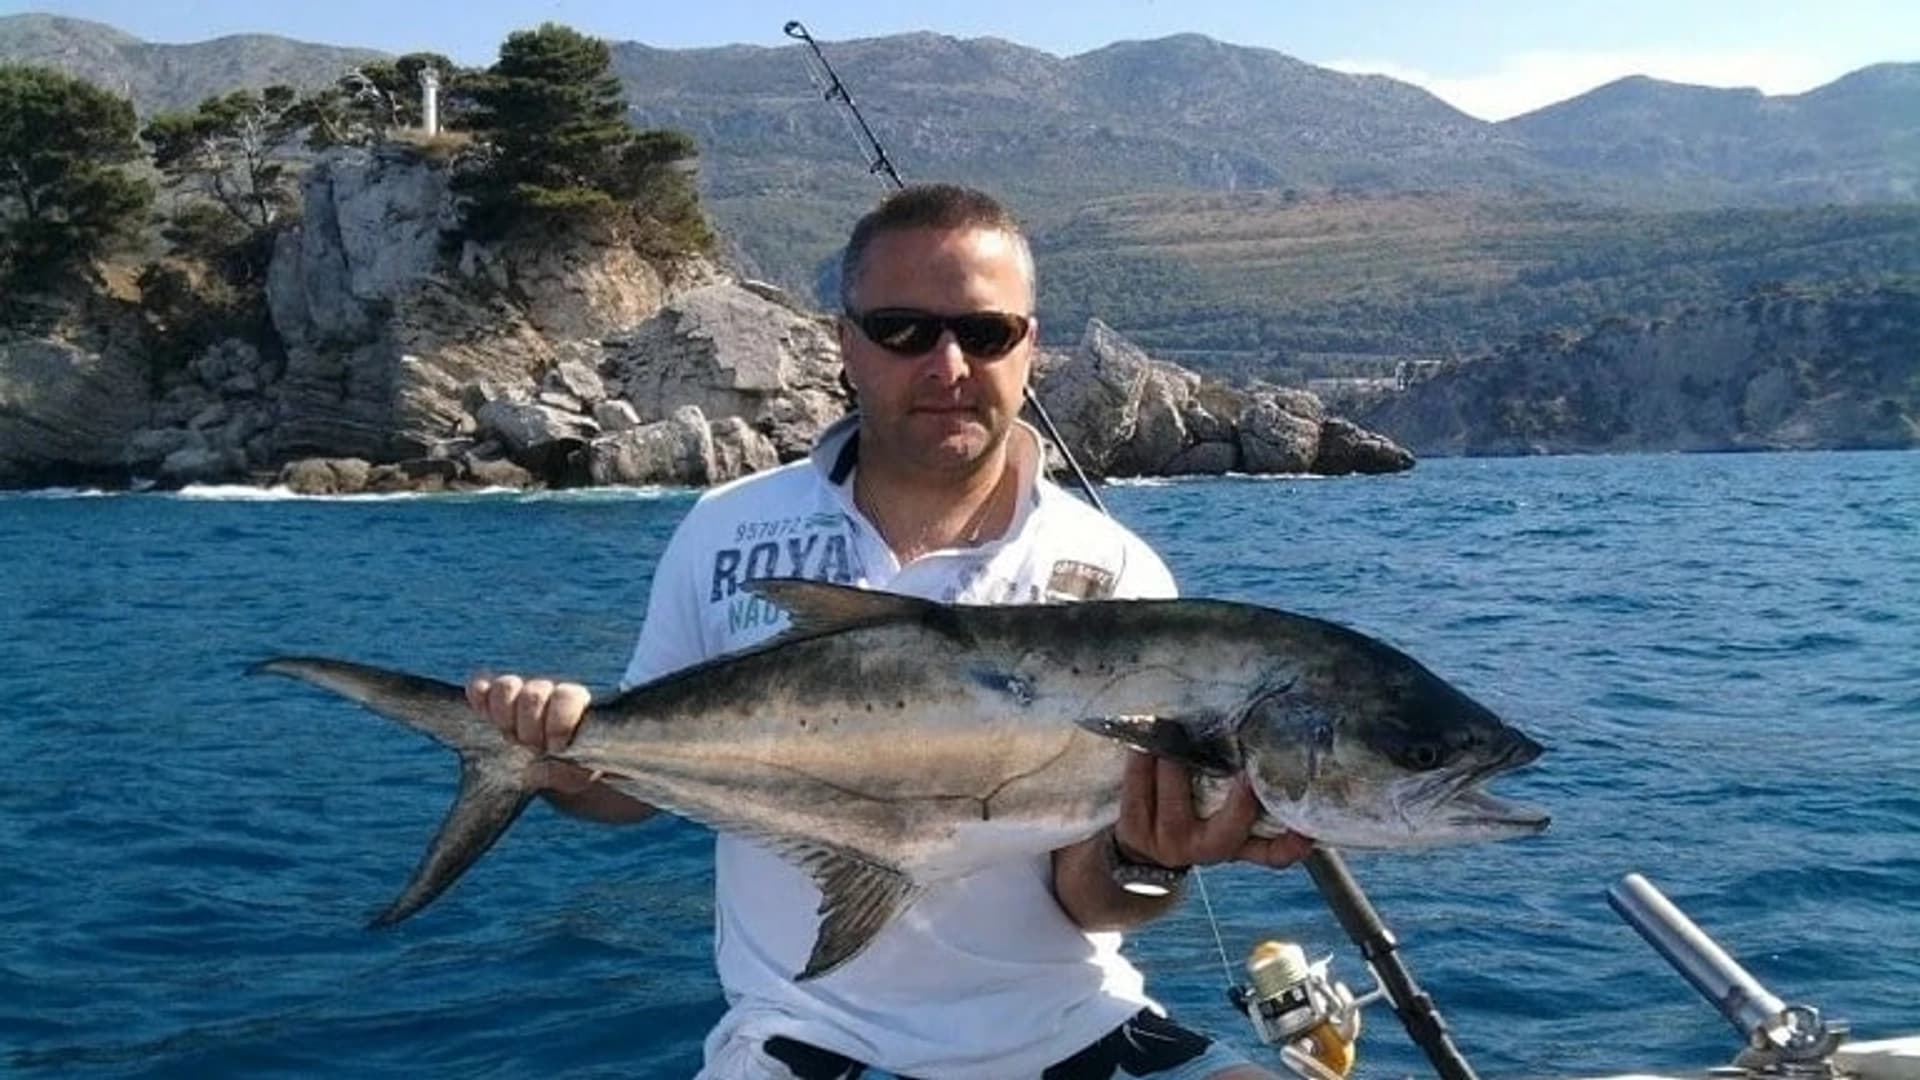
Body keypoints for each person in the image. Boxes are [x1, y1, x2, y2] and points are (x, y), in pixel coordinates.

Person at [467, 184, 1312, 1080]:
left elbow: (1088, 900)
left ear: (1031, 347)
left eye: (985, 334)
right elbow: (626, 787)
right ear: (845, 343)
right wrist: (554, 755)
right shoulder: (726, 531)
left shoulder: (1114, 575)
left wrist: (1152, 858)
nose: (948, 366)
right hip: (803, 1038)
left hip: (1071, 1025)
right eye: (904, 330)